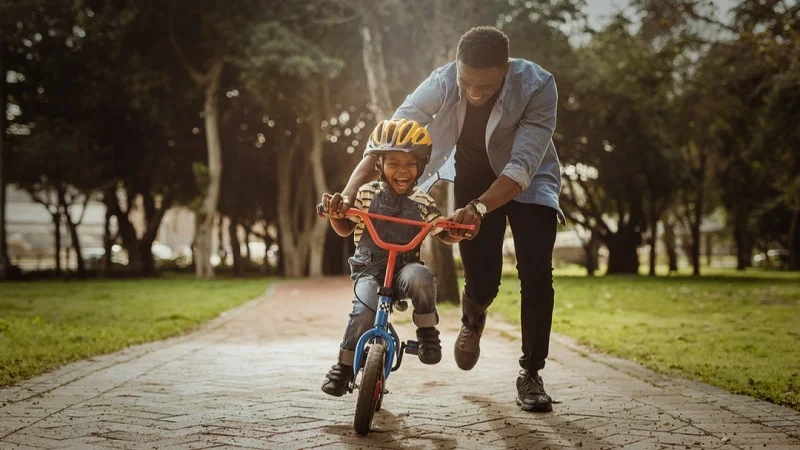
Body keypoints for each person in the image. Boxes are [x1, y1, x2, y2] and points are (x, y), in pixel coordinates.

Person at [322, 26, 564, 412]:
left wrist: (481, 208)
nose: (474, 92)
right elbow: (389, 139)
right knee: (483, 280)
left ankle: (531, 373)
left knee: (536, 273)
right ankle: (473, 317)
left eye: (485, 86)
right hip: (473, 175)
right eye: (467, 82)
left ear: (506, 69)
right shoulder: (443, 80)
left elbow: (521, 167)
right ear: (457, 67)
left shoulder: (538, 86)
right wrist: (349, 192)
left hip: (530, 180)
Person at [319, 119, 464, 397]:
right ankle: (344, 367)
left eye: (410, 164)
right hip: (369, 269)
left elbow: (440, 229)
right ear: (380, 165)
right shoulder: (364, 194)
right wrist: (336, 216)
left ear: (421, 167)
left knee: (421, 278)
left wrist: (455, 231)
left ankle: (427, 332)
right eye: (393, 162)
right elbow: (346, 227)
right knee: (363, 312)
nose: (402, 170)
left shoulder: (423, 200)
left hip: (404, 269)